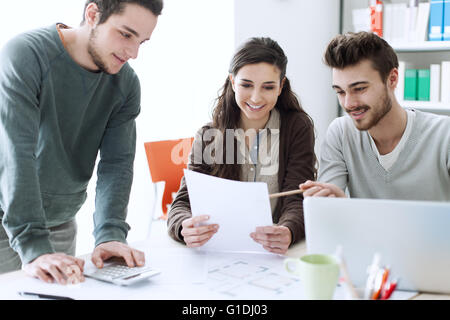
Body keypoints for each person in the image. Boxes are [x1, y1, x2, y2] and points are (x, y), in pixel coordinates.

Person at [0, 0, 163, 284]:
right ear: (93, 14)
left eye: (142, 42)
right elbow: (17, 152)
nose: (133, 53)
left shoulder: (126, 85)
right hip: (6, 218)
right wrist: (34, 247)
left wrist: (110, 234)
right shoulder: (26, 54)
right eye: (125, 34)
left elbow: (116, 165)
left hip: (61, 221)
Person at [167, 37, 316, 255]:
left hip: (274, 254)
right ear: (232, 81)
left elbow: (296, 198)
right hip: (220, 251)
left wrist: (288, 231)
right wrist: (184, 227)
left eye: (268, 87)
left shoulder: (296, 127)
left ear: (281, 86)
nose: (256, 97)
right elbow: (182, 204)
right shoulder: (209, 135)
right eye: (246, 85)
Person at [300, 31, 450, 200]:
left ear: (392, 79)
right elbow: (329, 210)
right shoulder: (341, 133)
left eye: (360, 89)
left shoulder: (444, 135)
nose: (348, 104)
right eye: (340, 92)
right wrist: (335, 204)